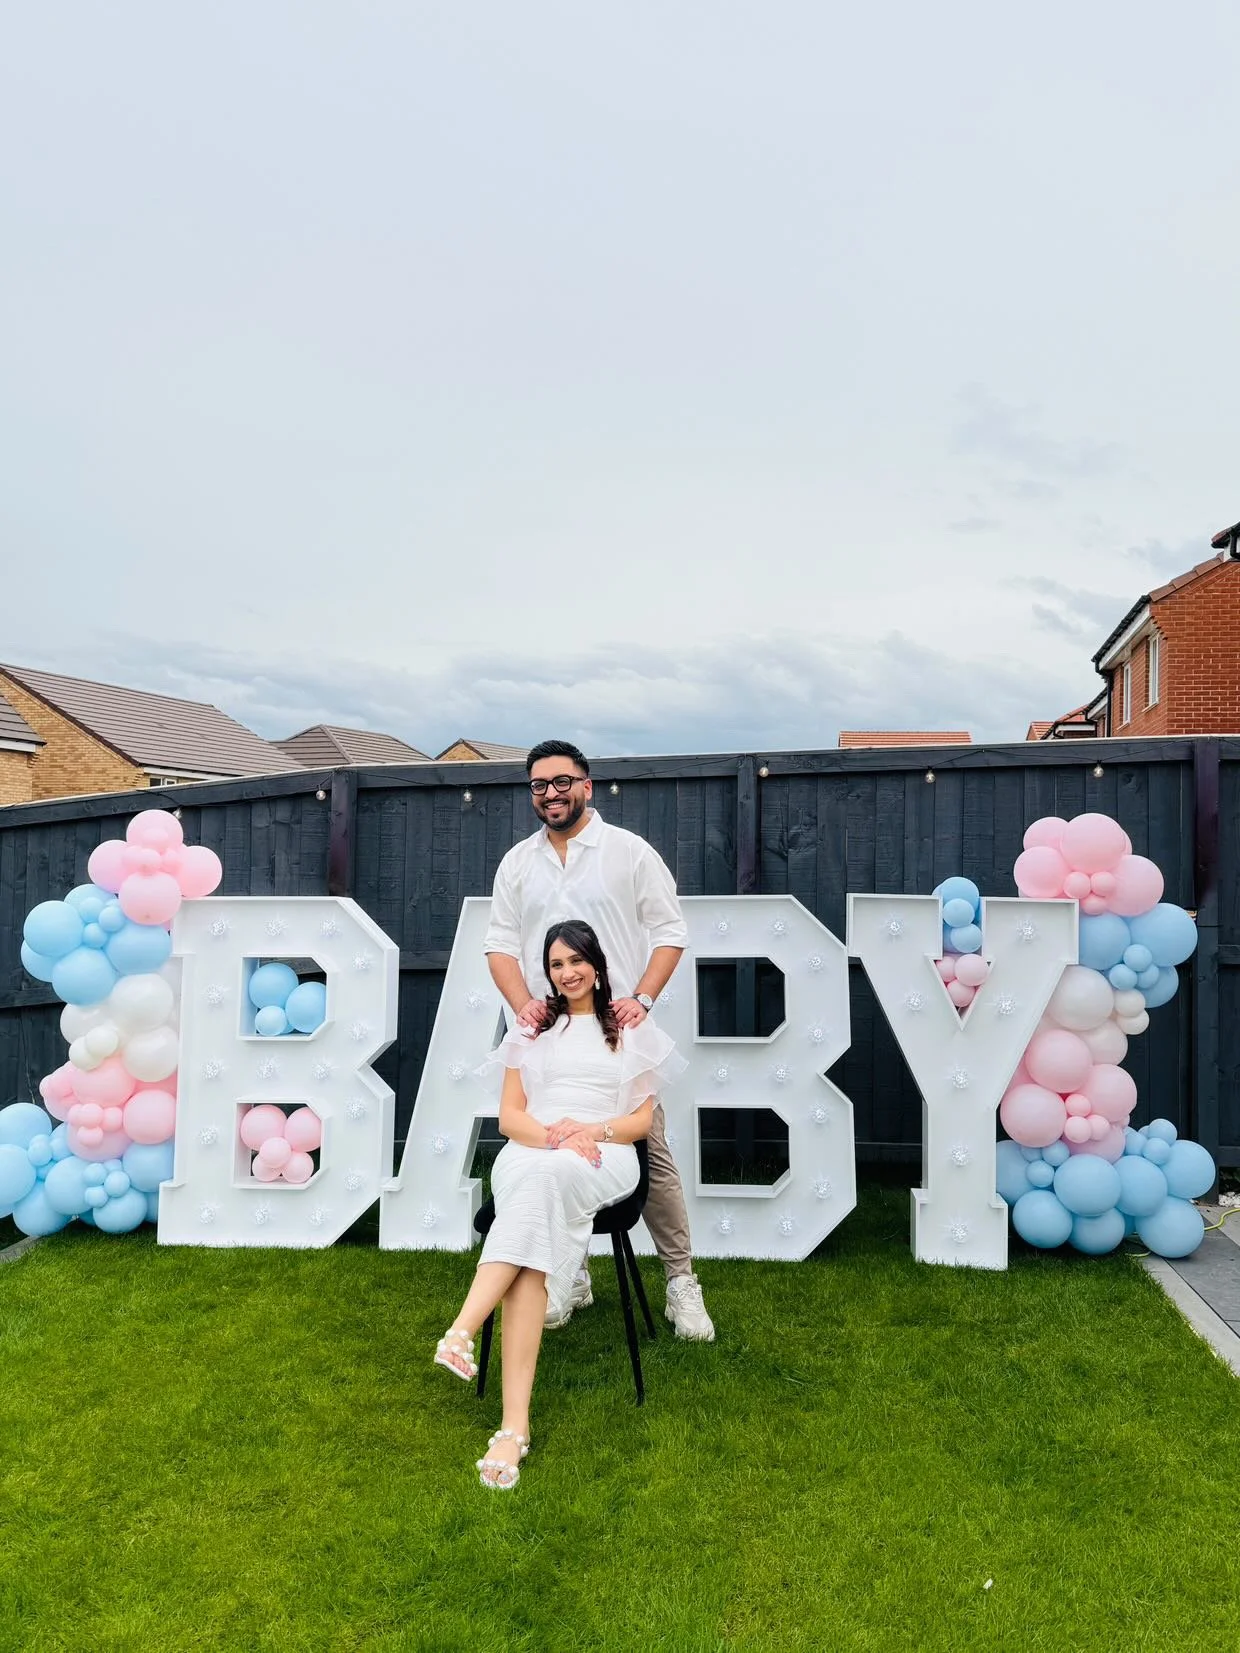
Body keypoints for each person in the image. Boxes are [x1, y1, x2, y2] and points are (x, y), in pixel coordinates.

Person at [435, 921, 684, 1489]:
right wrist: (554, 1136)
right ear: (545, 973)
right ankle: (511, 1427)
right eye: (555, 964)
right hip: (533, 1148)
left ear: (596, 964)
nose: (566, 972)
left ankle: (464, 1332)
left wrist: (588, 1131)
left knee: (539, 1197)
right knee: (538, 1196)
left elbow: (641, 1121)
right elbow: (511, 1119)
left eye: (576, 961)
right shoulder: (531, 1030)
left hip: (606, 1151)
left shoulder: (630, 1028)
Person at [483, 738, 715, 1341]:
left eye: (562, 782)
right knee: (549, 1150)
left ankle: (680, 1283)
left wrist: (640, 997)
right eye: (538, 784)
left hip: (617, 1035)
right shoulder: (518, 862)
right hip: (548, 1040)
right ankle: (570, 1272)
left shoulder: (627, 852)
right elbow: (500, 945)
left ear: (587, 785)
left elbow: (670, 930)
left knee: (650, 1156)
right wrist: (522, 1005)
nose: (551, 793)